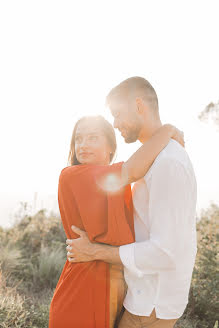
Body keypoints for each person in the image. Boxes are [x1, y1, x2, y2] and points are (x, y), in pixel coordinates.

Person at [66, 77, 197, 328]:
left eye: (117, 114)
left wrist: (94, 251)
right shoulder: (156, 158)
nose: (115, 124)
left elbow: (165, 251)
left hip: (150, 307)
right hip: (143, 299)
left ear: (139, 106)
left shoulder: (167, 162)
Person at [48, 113, 184, 328]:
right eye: (78, 139)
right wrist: (167, 130)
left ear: (111, 147)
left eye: (93, 138)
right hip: (83, 285)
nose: (83, 145)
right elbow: (132, 169)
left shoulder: (111, 181)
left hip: (115, 284)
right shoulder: (72, 174)